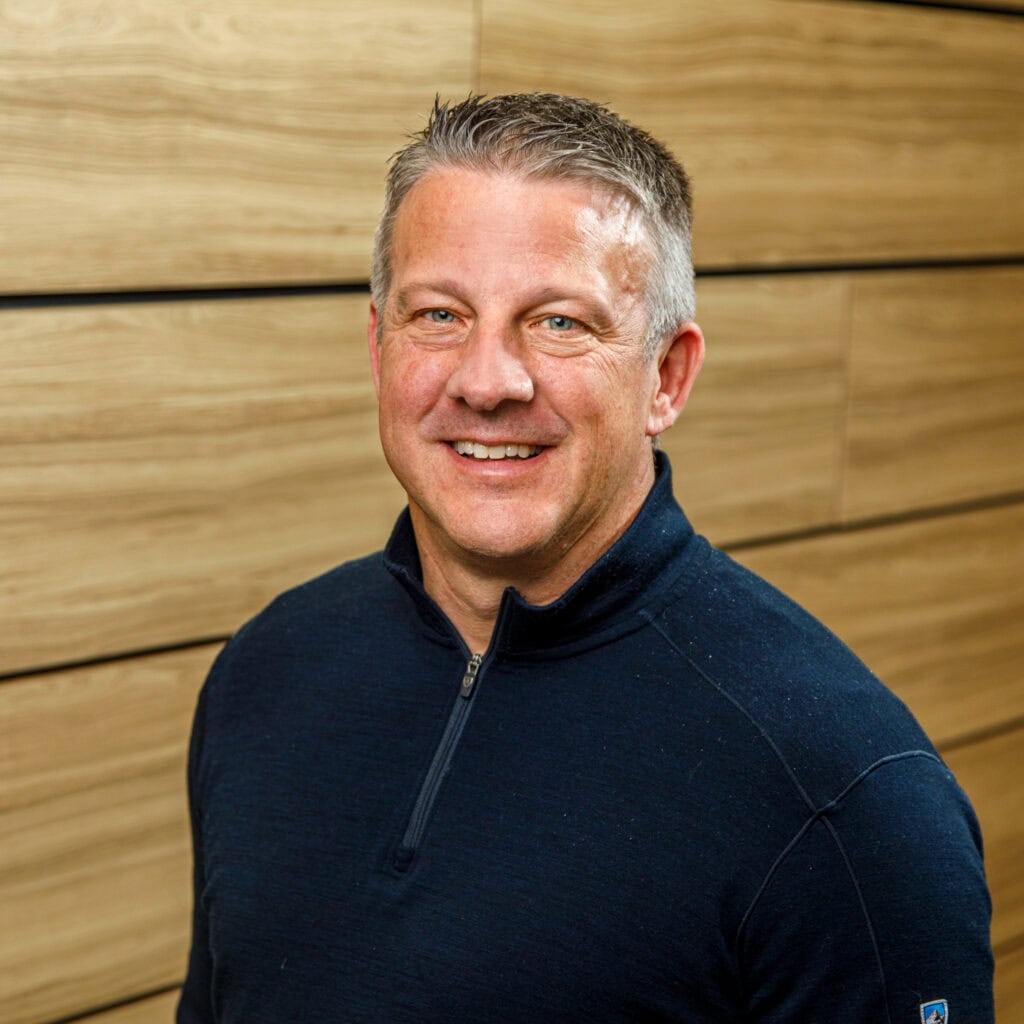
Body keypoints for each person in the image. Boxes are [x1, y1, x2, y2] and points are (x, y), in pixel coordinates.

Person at [178, 93, 993, 1022]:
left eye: (560, 322)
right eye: (440, 315)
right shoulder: (265, 673)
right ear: (378, 346)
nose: (488, 381)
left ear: (666, 377)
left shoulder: (849, 799)